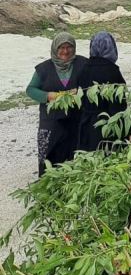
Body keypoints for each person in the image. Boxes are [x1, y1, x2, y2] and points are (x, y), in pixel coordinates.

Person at [26, 31, 87, 176]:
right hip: (51, 124)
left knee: (73, 162)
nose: (65, 51)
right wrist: (48, 96)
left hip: (75, 122)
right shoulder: (43, 69)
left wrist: (79, 92)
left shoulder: (83, 64)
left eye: (69, 47)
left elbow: (91, 87)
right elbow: (30, 90)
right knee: (49, 161)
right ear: (55, 48)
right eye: (61, 47)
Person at [76, 31, 128, 152]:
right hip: (109, 127)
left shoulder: (84, 69)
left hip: (87, 126)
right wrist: (129, 131)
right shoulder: (112, 71)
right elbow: (119, 106)